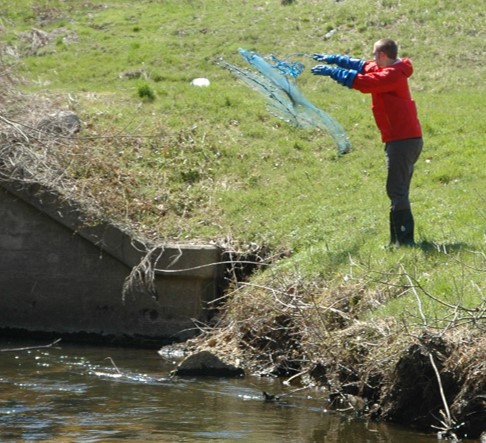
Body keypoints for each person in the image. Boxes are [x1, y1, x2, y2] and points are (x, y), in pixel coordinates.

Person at [311, 38, 423, 247]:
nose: (372, 58)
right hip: (403, 139)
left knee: (396, 190)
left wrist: (333, 72)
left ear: (382, 55)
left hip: (403, 140)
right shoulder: (387, 68)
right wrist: (334, 60)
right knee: (397, 190)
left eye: (374, 54)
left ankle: (405, 242)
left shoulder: (391, 74)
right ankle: (396, 241)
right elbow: (361, 66)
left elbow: (365, 82)